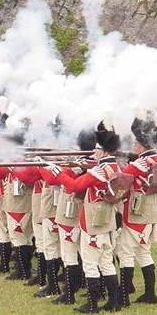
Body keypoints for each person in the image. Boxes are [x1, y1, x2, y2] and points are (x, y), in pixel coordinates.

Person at [51, 121, 124, 313]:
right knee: (106, 263)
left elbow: (75, 186)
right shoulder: (114, 166)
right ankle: (114, 302)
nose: (95, 152)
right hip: (107, 220)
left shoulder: (100, 169)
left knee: (91, 264)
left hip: (92, 222)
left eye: (98, 150)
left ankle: (92, 305)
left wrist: (59, 173)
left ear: (104, 151)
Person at [116, 112, 157, 307]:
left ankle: (123, 296)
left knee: (125, 253)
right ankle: (150, 293)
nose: (133, 147)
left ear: (141, 145)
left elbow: (121, 179)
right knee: (144, 252)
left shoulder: (140, 162)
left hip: (135, 213)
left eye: (135, 144)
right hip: (150, 213)